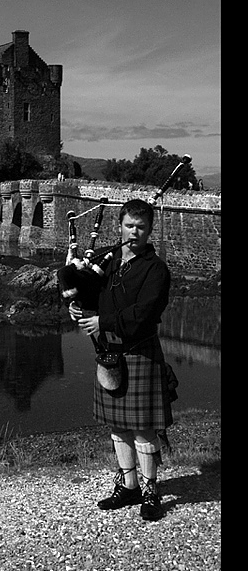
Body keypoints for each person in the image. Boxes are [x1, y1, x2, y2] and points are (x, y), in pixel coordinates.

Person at [68, 198, 172, 521]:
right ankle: (129, 486)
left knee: (142, 428)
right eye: (129, 226)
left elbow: (145, 313)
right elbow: (90, 291)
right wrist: (78, 307)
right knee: (118, 425)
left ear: (150, 230)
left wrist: (103, 322)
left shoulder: (156, 270)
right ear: (120, 226)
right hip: (108, 352)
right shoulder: (109, 260)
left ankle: (151, 489)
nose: (134, 232)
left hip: (139, 351)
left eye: (141, 227)